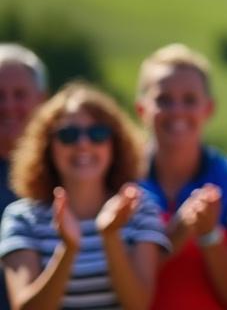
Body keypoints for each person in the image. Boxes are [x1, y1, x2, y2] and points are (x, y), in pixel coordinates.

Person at [0, 82, 168, 309]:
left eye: (97, 134)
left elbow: (138, 304)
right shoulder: (21, 217)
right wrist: (68, 250)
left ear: (115, 144)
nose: (83, 144)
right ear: (47, 145)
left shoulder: (140, 208)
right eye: (68, 135)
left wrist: (110, 236)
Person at [135, 44, 227, 310]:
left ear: (209, 108)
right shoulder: (118, 180)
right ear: (141, 109)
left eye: (190, 100)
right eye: (164, 100)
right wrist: (175, 236)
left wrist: (209, 235)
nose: (177, 110)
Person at [0, 45, 47, 214]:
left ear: (41, 100)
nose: (8, 106)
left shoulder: (61, 166)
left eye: (19, 95)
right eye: (0, 95)